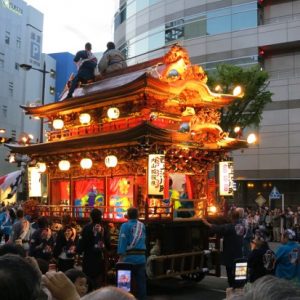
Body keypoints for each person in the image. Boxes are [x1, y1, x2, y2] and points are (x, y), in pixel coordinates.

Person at [202, 210, 244, 288]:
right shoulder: (242, 225)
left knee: (230, 270)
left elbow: (218, 228)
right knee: (239, 270)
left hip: (231, 252)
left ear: (231, 218)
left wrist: (207, 223)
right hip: (240, 251)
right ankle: (240, 285)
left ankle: (233, 287)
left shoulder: (230, 227)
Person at [118, 207, 147, 300]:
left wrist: (121, 256)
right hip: (141, 258)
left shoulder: (125, 226)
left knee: (124, 284)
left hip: (128, 259)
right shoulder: (142, 225)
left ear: (128, 216)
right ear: (137, 215)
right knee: (141, 284)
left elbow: (122, 241)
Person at [77, 208, 111, 290]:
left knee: (88, 282)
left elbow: (81, 244)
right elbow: (108, 245)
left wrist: (79, 251)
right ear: (100, 217)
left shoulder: (86, 228)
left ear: (91, 217)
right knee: (98, 282)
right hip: (99, 258)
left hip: (88, 257)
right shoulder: (104, 228)